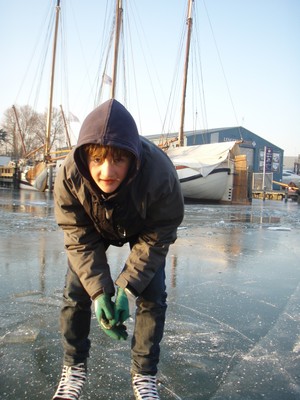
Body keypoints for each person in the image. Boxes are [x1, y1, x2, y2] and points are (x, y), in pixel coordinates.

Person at [52, 99, 184, 400]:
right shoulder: (70, 175)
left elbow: (159, 235)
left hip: (142, 227)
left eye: (118, 160)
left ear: (133, 159)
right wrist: (100, 292)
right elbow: (77, 234)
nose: (107, 171)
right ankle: (73, 367)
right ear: (85, 158)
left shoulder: (160, 174)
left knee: (152, 294)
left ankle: (145, 374)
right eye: (97, 160)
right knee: (76, 291)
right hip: (93, 226)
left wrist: (127, 289)